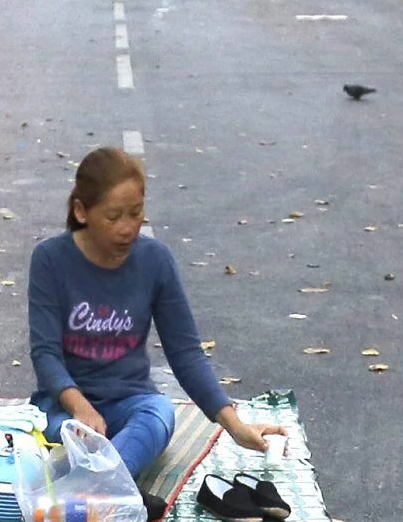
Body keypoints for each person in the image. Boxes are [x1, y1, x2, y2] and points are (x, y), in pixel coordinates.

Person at [27, 147, 278, 487]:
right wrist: (80, 408)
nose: (127, 228)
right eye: (114, 217)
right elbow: (46, 354)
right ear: (81, 211)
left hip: (131, 402)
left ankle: (98, 483)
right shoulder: (50, 260)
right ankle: (107, 483)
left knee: (159, 415)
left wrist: (234, 425)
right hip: (65, 410)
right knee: (66, 435)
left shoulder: (155, 260)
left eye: (136, 213)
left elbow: (186, 353)